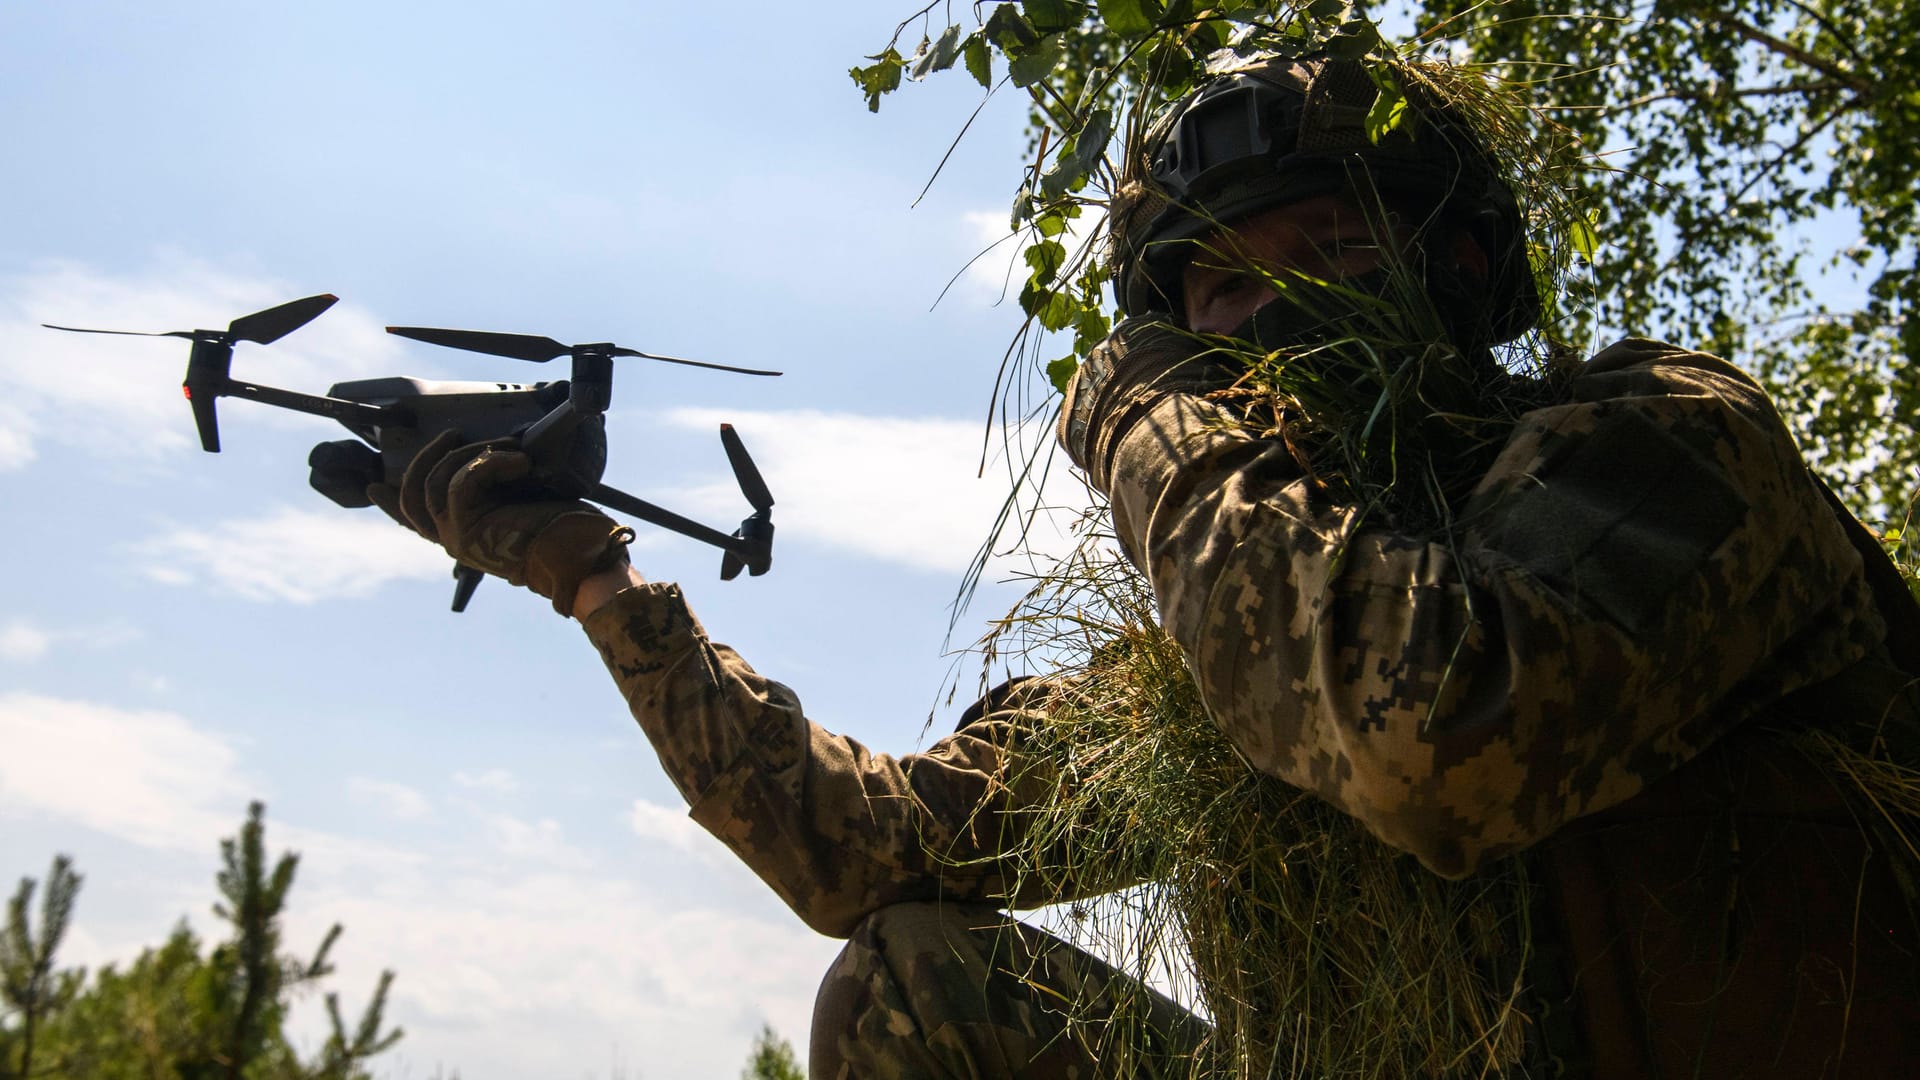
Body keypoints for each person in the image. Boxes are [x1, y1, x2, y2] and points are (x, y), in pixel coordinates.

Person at [373, 55, 1920, 1077]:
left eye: (1319, 248)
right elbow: (857, 851)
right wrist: (597, 582)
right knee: (915, 982)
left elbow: (1435, 738)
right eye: (1217, 292)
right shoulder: (1221, 652)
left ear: (1452, 266)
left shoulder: (1664, 444)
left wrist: (1147, 414)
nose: (1266, 318)